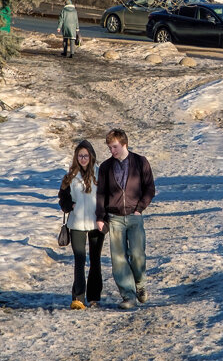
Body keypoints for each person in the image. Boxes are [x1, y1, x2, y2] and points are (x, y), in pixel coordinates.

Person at [95, 128, 156, 310]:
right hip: (114, 218)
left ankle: (140, 284)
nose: (112, 151)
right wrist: (100, 217)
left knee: (137, 255)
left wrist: (140, 208)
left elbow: (150, 188)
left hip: (134, 216)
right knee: (118, 259)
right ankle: (128, 296)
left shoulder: (140, 162)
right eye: (109, 148)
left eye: (114, 147)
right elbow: (101, 193)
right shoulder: (106, 167)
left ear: (124, 144)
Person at [58, 140, 105, 309]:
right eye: (80, 156)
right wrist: (70, 205)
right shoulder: (70, 176)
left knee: (95, 259)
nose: (83, 159)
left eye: (86, 155)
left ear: (91, 157)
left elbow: (106, 197)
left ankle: (94, 297)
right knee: (79, 260)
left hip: (96, 223)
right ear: (76, 157)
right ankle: (78, 297)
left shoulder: (100, 175)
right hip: (76, 223)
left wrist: (104, 217)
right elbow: (62, 197)